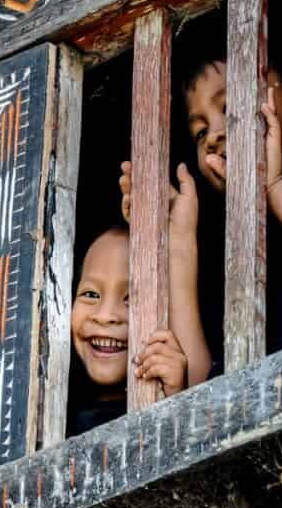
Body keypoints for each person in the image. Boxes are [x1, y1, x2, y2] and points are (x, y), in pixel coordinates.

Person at [176, 0, 282, 355]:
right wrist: (178, 236)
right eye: (200, 132)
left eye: (231, 104)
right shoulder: (240, 257)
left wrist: (274, 187)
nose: (216, 134)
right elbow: (203, 374)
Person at [67, 165, 211, 436]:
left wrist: (180, 242)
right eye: (90, 294)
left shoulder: (171, 397)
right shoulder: (52, 420)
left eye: (132, 298)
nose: (106, 315)